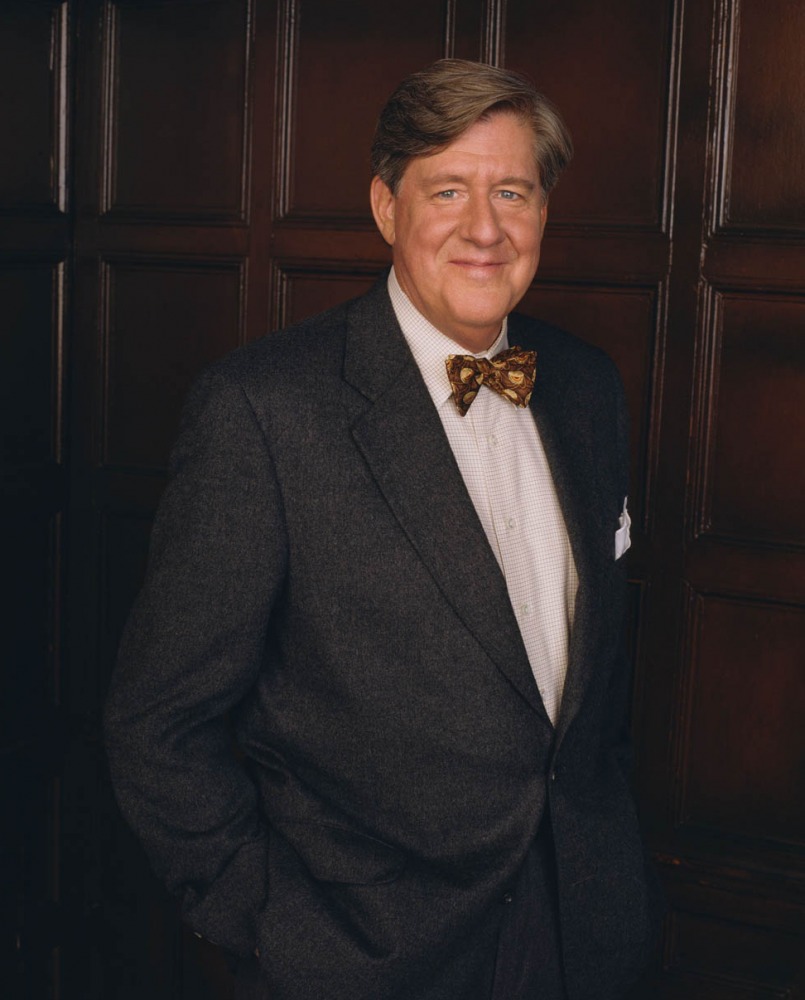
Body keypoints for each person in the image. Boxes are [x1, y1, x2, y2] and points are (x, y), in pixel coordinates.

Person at [104, 59, 662, 1000]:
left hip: (585, 928)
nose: (483, 228)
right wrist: (269, 925)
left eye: (511, 192)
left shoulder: (586, 385)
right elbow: (157, 725)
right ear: (384, 208)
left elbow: (592, 695)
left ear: (543, 212)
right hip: (368, 954)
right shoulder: (262, 411)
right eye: (447, 190)